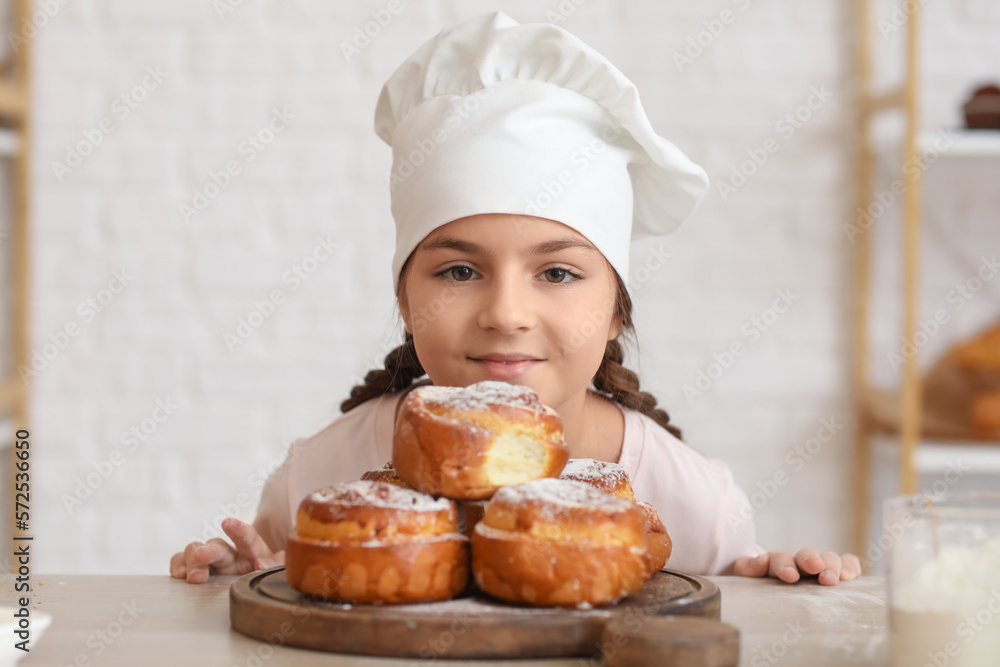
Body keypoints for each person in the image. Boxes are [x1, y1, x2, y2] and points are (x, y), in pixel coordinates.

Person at [170, 11, 860, 587]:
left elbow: (724, 620)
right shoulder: (319, 479)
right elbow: (270, 589)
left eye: (556, 274)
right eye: (459, 272)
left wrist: (775, 582)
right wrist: (237, 573)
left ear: (617, 307)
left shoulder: (695, 506)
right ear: (405, 299)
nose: (505, 312)